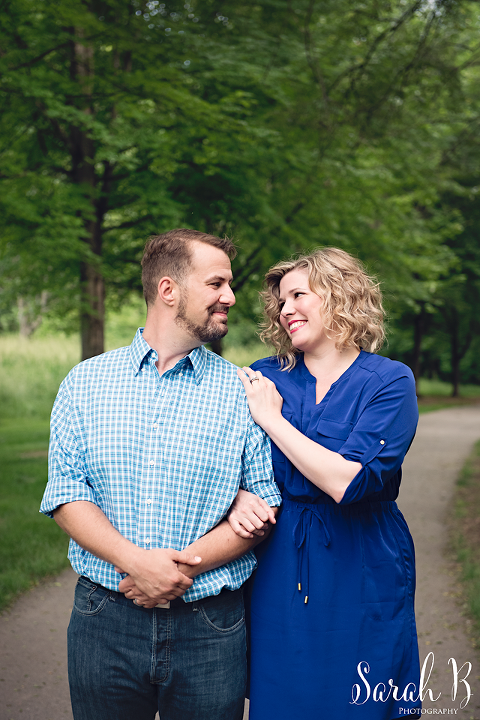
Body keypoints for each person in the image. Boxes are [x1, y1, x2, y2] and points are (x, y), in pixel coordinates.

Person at [40, 228, 281, 720]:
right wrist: (136, 563)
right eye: (216, 284)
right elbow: (66, 494)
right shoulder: (85, 383)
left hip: (210, 628)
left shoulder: (242, 392)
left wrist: (177, 572)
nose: (231, 297)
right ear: (169, 289)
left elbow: (264, 506)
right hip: (105, 622)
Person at [228, 247, 421, 720]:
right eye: (281, 301)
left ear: (340, 294)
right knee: (283, 694)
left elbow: (348, 481)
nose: (285, 309)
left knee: (361, 696)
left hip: (363, 560)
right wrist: (237, 497)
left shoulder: (389, 382)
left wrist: (273, 421)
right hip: (277, 561)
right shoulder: (264, 377)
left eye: (298, 295)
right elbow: (222, 464)